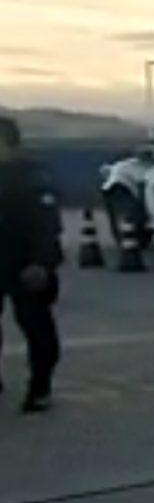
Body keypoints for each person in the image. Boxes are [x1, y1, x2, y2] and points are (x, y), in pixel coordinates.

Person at [0, 114, 63, 413]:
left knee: (36, 326)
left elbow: (47, 224)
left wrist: (41, 262)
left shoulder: (31, 176)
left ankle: (40, 387)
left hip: (26, 264)